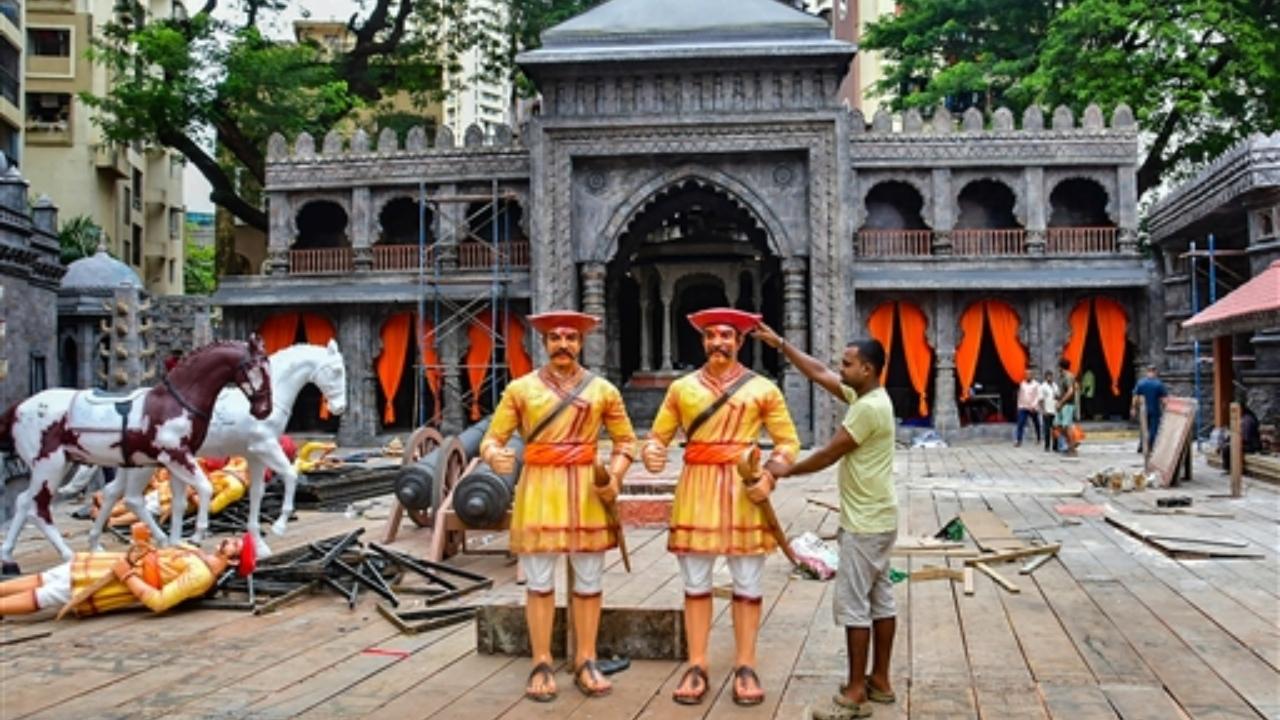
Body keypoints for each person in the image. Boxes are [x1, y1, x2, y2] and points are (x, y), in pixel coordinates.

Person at [642, 308, 799, 707]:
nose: (718, 343)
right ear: (703, 341)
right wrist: (653, 452)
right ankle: (696, 664)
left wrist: (769, 477)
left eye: (726, 336)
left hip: (743, 490)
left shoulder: (762, 389)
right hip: (696, 486)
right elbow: (658, 436)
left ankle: (746, 665)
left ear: (740, 341)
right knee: (696, 582)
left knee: (747, 582)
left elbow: (787, 443)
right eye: (711, 336)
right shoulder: (682, 389)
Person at [479, 310, 637, 702]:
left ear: (582, 343)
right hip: (540, 487)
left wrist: (614, 477)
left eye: (570, 338)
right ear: (544, 344)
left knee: (589, 579)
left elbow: (626, 442)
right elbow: (492, 438)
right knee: (538, 580)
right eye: (555, 338)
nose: (563, 344)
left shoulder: (602, 391)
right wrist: (494, 455)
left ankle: (586, 659)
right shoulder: (520, 390)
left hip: (587, 487)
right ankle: (541, 661)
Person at [753, 326, 897, 720]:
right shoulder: (869, 395)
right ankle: (880, 680)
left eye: (847, 365)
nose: (840, 369)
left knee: (854, 606)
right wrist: (781, 344)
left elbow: (829, 453)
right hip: (881, 516)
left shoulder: (868, 409)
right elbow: (817, 372)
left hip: (865, 522)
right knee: (881, 599)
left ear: (866, 369)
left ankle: (854, 693)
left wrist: (784, 470)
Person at [0, 529, 251, 616]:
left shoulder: (200, 576)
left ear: (232, 562)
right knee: (42, 578)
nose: (229, 540)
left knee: (43, 596)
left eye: (235, 544)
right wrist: (143, 542)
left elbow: (159, 602)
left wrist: (127, 575)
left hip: (111, 583)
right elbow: (156, 556)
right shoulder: (195, 552)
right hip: (105, 564)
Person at [1130, 365, 1168, 452]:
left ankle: (1142, 446)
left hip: (1143, 410)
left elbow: (1135, 397)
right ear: (1155, 372)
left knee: (1144, 428)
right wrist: (1166, 409)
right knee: (1153, 429)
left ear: (1147, 372)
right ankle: (1150, 446)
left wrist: (1133, 408)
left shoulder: (1141, 383)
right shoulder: (1159, 384)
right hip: (1155, 410)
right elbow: (1164, 400)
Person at [1055, 359, 1080, 456]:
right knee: (1058, 425)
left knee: (1066, 426)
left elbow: (1070, 391)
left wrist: (1061, 402)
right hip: (1063, 404)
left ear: (1060, 367)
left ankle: (1072, 447)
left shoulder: (1068, 376)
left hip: (1067, 405)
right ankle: (1072, 443)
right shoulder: (1062, 377)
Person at [1015, 371, 1041, 447]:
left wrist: (1034, 406)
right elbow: (1020, 395)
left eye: (1029, 375)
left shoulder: (1036, 384)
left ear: (1032, 376)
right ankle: (1019, 440)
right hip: (1023, 407)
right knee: (1020, 423)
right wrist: (1019, 406)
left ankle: (1038, 438)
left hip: (1033, 407)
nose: (1028, 376)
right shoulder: (1022, 384)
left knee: (1036, 423)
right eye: (1026, 375)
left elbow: (1038, 396)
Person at [1038, 369, 1059, 452]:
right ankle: (1047, 446)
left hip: (1055, 410)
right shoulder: (1042, 387)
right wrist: (1043, 410)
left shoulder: (1055, 385)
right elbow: (1041, 400)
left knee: (1055, 429)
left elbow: (1058, 396)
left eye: (1051, 376)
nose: (1050, 378)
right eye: (1048, 376)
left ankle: (1055, 446)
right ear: (1045, 377)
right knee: (1047, 430)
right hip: (1047, 410)